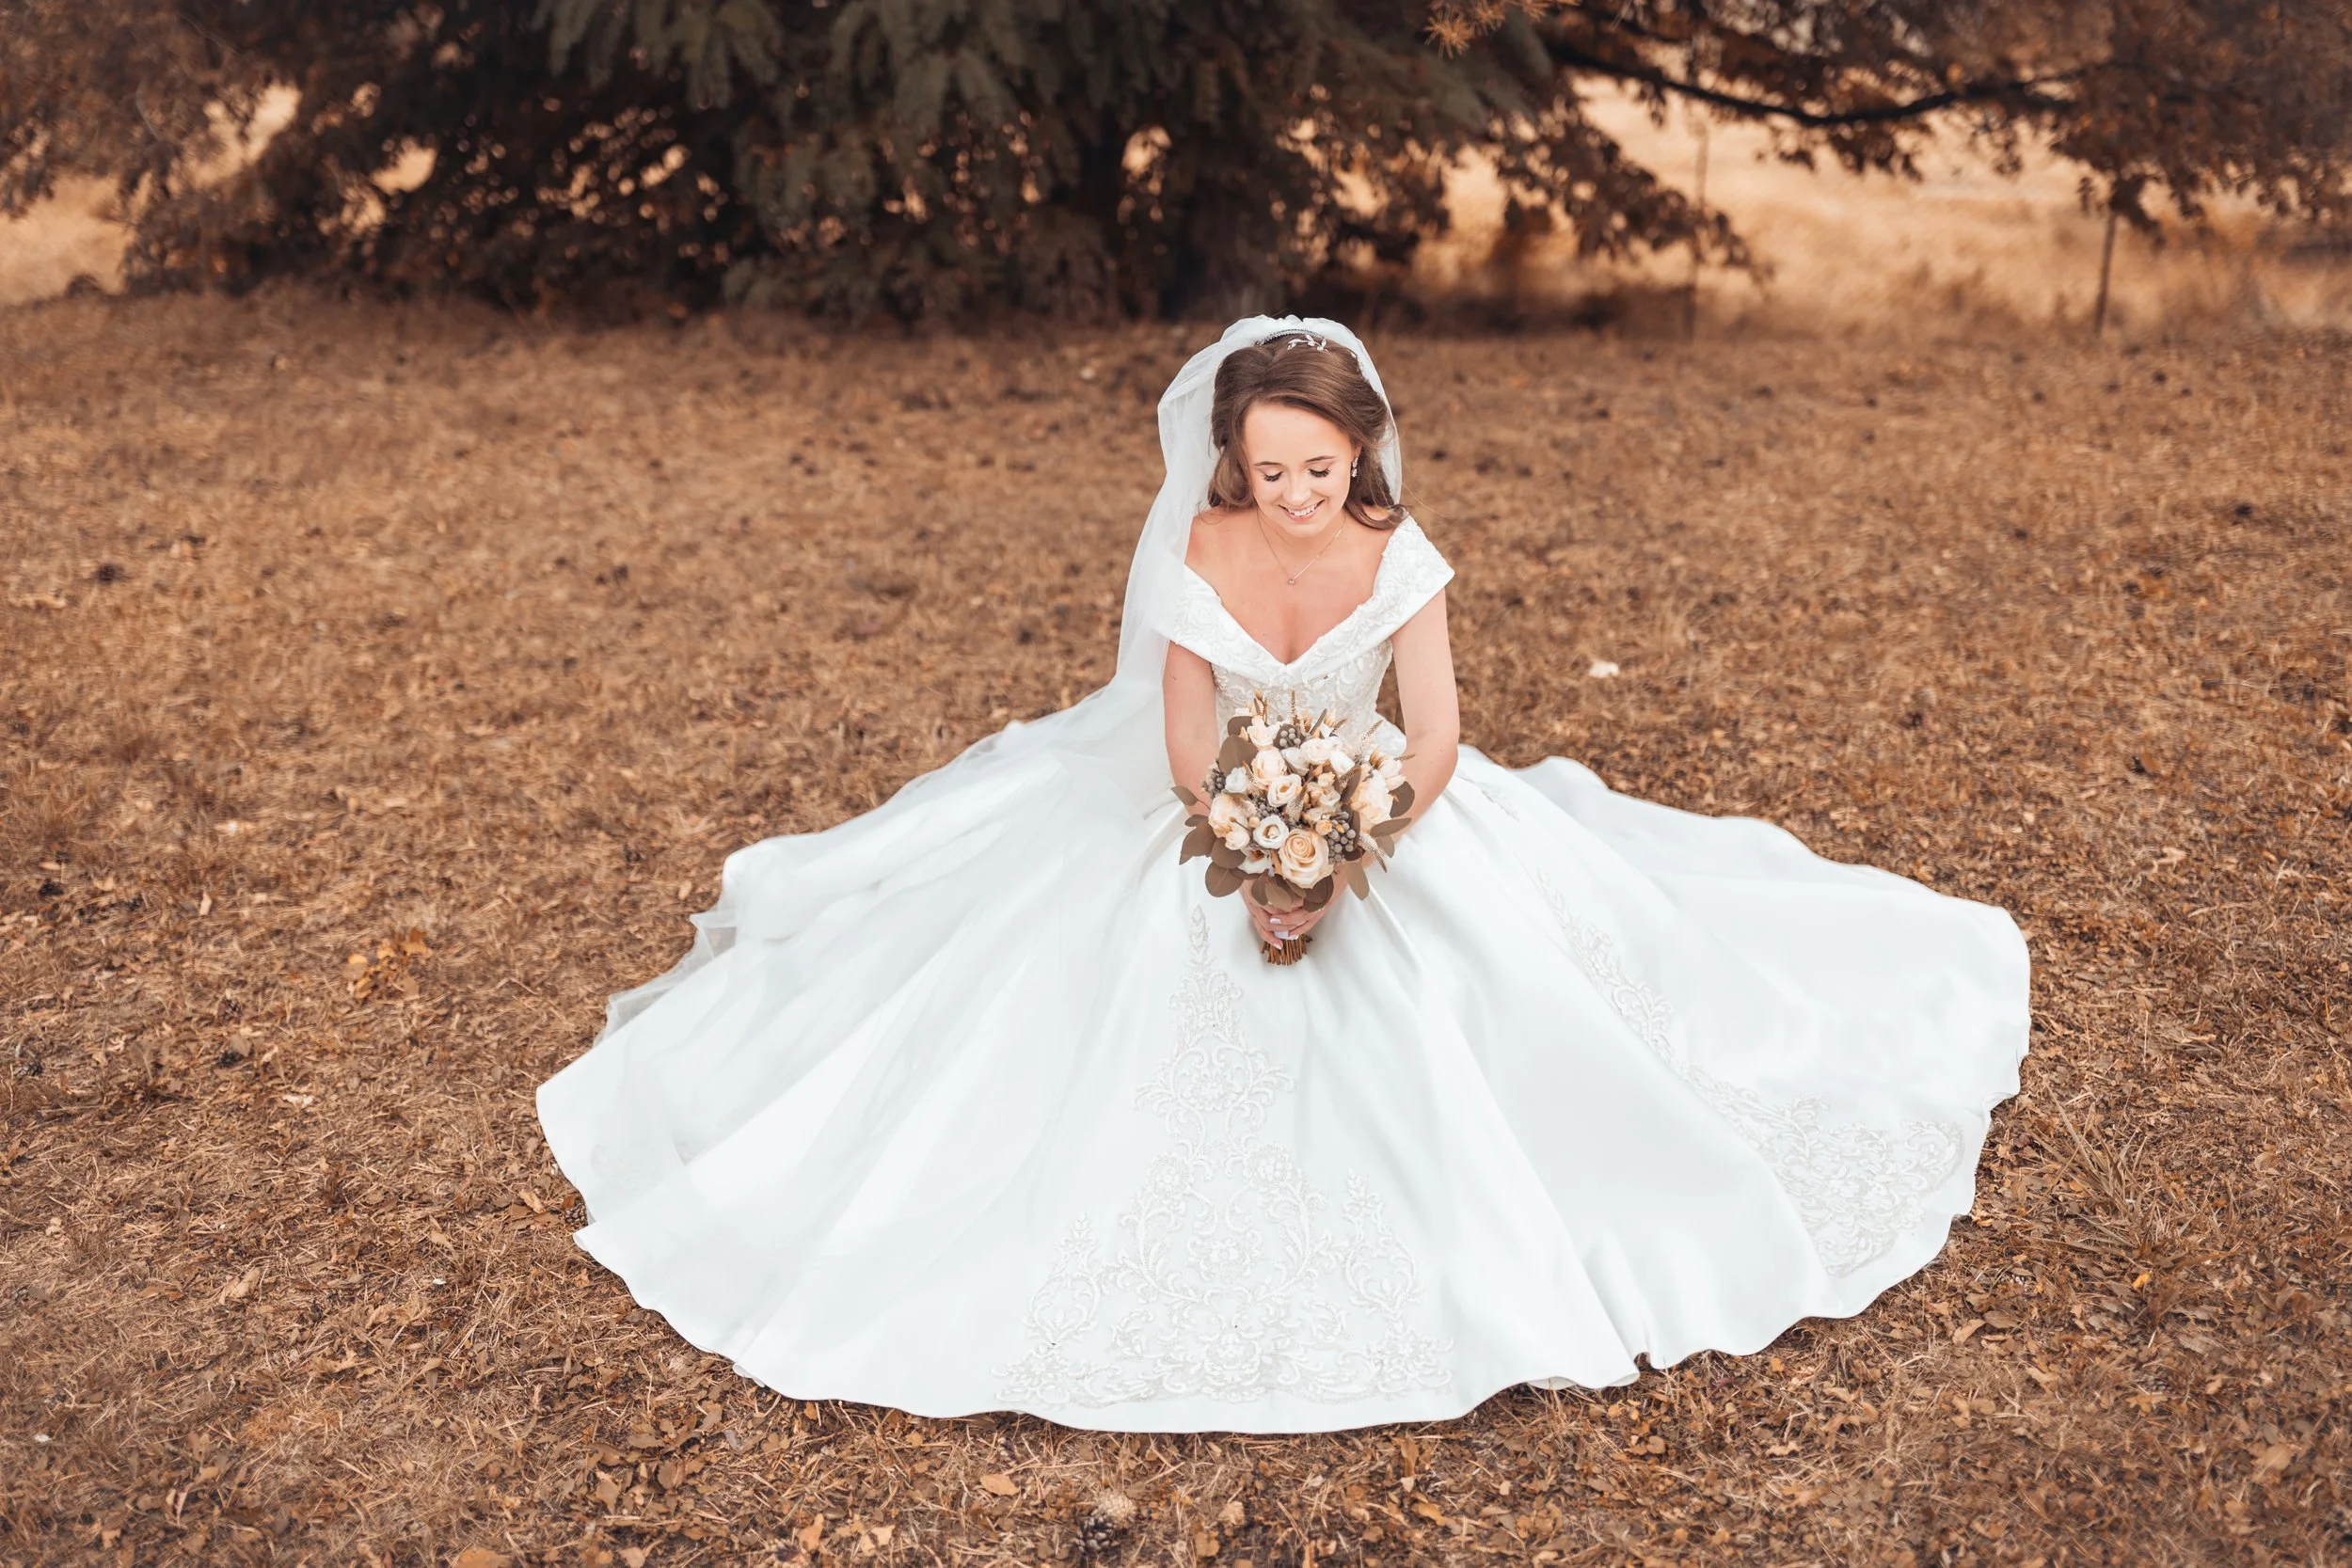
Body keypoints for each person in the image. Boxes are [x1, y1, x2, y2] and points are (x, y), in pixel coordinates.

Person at [537, 316, 2028, 1434]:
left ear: (1360, 456)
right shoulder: (1203, 539)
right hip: (1227, 807)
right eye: (1272, 470)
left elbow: (1437, 735)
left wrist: (1348, 838)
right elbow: (1187, 737)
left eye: (1322, 467)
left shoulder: (1405, 555)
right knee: (1105, 995)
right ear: (1234, 464)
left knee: (1516, 998)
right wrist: (1253, 845)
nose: (1299, 493)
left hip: (1389, 808)